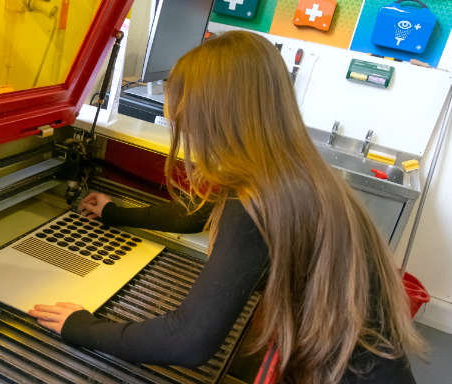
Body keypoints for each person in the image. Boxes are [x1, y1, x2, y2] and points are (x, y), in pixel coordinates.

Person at [29, 31, 423, 383]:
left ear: (215, 116)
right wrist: (114, 213)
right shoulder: (291, 172)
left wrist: (79, 326)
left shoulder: (261, 196)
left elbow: (188, 340)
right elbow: (194, 215)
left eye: (185, 121)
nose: (188, 138)